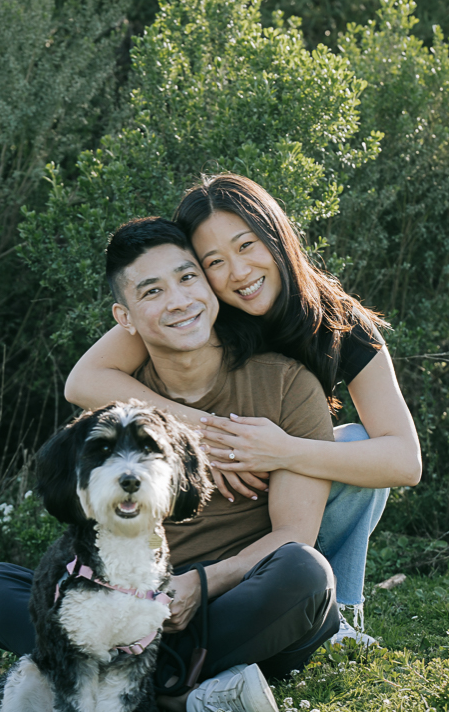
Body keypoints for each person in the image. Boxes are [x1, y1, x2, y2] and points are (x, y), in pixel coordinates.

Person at [0, 217, 342, 712]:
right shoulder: (120, 409)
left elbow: (294, 534)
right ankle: (184, 694)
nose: (180, 301)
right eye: (153, 291)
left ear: (209, 285)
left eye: (188, 278)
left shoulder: (286, 385)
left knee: (305, 573)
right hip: (132, 606)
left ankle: (142, 693)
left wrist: (200, 584)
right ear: (126, 316)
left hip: (234, 603)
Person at [65, 175, 422, 642]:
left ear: (276, 237)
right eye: (214, 261)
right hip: (225, 494)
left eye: (247, 246)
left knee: (355, 444)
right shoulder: (198, 307)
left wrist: (281, 451)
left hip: (289, 479)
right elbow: (85, 381)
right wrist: (208, 434)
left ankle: (338, 610)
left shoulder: (339, 324)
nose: (238, 273)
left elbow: (404, 459)